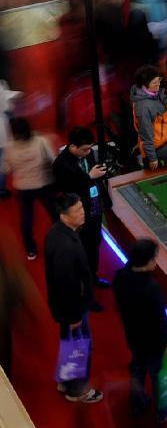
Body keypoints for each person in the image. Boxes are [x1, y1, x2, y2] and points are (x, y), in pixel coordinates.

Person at [44, 194, 103, 403]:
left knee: (69, 343)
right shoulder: (65, 246)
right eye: (77, 211)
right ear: (64, 215)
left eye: (81, 208)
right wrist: (74, 316)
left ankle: (66, 380)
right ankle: (78, 390)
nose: (82, 212)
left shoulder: (58, 232)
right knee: (81, 348)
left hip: (64, 308)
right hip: (72, 309)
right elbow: (67, 284)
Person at [112, 238, 167, 419]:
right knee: (158, 375)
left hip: (133, 336)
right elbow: (159, 319)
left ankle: (138, 404)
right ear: (147, 261)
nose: (156, 262)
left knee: (138, 370)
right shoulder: (151, 287)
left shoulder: (120, 277)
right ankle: (163, 411)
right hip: (153, 342)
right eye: (154, 258)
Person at [52, 127, 110, 298]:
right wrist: (89, 177)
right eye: (85, 149)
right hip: (78, 214)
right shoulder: (61, 165)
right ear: (73, 146)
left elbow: (94, 177)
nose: (89, 152)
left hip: (94, 208)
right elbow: (68, 189)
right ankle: (86, 291)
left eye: (90, 148)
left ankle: (94, 278)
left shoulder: (88, 154)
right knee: (82, 252)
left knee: (94, 245)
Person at [4, 118, 55, 260]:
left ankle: (30, 250)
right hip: (44, 184)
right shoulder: (41, 141)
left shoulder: (9, 147)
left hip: (23, 188)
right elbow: (52, 160)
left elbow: (7, 169)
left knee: (27, 219)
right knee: (55, 214)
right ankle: (60, 243)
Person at [131, 66, 167, 171]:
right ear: (144, 85)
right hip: (160, 151)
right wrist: (152, 158)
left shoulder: (156, 94)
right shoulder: (142, 106)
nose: (158, 84)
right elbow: (146, 133)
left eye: (158, 80)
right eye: (154, 82)